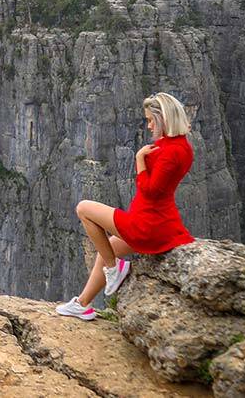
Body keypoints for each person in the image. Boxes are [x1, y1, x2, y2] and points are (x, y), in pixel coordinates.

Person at [55, 92, 196, 320]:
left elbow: (151, 190)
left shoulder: (168, 152)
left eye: (151, 120)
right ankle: (82, 304)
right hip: (162, 222)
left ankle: (114, 269)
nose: (149, 126)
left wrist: (140, 160)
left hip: (146, 225)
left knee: (84, 209)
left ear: (163, 119)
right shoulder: (183, 147)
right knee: (109, 246)